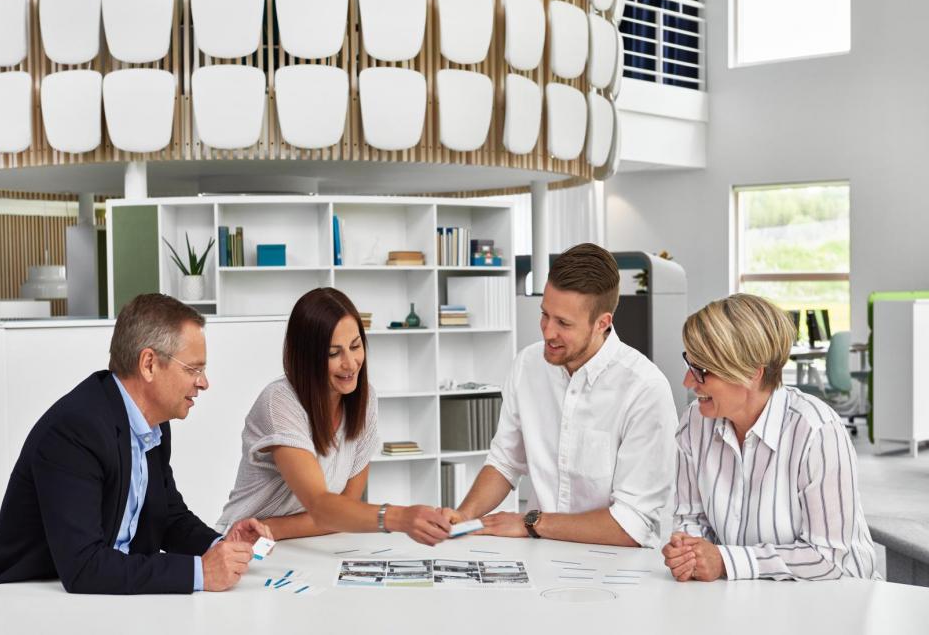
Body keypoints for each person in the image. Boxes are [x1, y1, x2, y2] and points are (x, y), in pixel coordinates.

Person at [0, 294, 272, 594]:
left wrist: (222, 545)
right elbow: (84, 567)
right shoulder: (75, 430)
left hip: (100, 600)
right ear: (149, 364)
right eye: (193, 369)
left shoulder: (153, 422)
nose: (203, 382)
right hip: (21, 600)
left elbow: (168, 517)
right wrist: (200, 573)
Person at [443, 243, 677, 547]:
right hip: (538, 554)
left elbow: (632, 526)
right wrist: (463, 516)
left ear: (602, 323)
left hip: (615, 563)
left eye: (563, 323)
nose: (547, 331)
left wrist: (531, 523)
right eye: (545, 314)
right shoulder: (527, 365)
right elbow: (505, 461)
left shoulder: (645, 390)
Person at [662, 294, 879, 581]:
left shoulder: (817, 431)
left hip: (836, 597)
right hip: (746, 594)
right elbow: (691, 518)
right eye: (690, 365)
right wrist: (689, 552)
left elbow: (829, 558)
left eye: (701, 371)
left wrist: (726, 561)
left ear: (752, 373)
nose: (688, 382)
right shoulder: (695, 421)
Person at [217, 287, 450, 545]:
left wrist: (273, 528)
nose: (350, 363)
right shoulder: (279, 402)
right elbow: (321, 506)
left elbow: (345, 509)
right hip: (244, 543)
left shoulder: (365, 400)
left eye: (355, 346)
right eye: (333, 353)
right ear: (306, 357)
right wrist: (400, 517)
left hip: (297, 540)